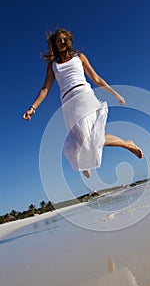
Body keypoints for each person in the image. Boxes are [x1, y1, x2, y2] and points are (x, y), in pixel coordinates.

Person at [23, 28, 143, 178]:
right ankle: (85, 163)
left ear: (68, 41)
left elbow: (96, 79)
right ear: (54, 43)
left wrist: (116, 94)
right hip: (68, 104)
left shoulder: (79, 57)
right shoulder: (53, 65)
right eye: (58, 40)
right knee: (79, 142)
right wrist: (32, 108)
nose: (61, 42)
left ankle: (127, 144)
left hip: (84, 96)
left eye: (64, 39)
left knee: (94, 138)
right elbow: (45, 89)